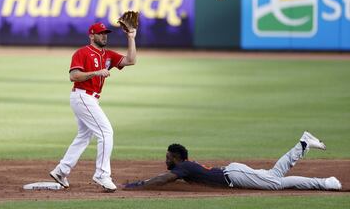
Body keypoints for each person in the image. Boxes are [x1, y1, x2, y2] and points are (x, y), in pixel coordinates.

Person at [50, 22, 137, 192]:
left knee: (84, 135)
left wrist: (131, 37)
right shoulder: (82, 53)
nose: (104, 36)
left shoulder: (108, 55)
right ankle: (102, 174)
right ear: (91, 36)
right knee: (106, 132)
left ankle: (61, 170)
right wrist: (95, 73)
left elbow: (131, 60)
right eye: (100, 33)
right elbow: (73, 76)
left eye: (106, 33)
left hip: (91, 99)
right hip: (82, 96)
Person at [124, 131, 342, 191]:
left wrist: (140, 186)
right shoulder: (186, 167)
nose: (166, 160)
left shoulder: (183, 167)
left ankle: (322, 181)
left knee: (275, 182)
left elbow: (164, 178)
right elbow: (168, 178)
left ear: (177, 157)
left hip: (234, 175)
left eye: (168, 157)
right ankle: (304, 146)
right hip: (234, 173)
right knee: (274, 177)